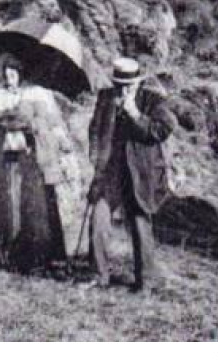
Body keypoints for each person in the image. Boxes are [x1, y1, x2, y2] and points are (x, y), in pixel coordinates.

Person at [0, 53, 80, 272]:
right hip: (1, 151)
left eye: (14, 72)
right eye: (5, 72)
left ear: (22, 73)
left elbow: (54, 122)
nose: (9, 76)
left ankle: (31, 254)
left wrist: (61, 142)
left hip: (29, 153)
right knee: (2, 199)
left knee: (31, 201)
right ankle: (0, 251)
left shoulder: (37, 94)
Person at [87, 56, 175, 292]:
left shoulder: (153, 100)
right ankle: (99, 274)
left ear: (138, 83)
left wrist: (135, 114)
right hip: (111, 170)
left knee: (139, 223)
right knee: (99, 218)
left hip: (141, 172)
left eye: (128, 86)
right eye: (119, 85)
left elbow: (162, 129)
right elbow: (95, 131)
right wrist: (95, 161)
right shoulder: (106, 98)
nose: (123, 90)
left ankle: (146, 280)